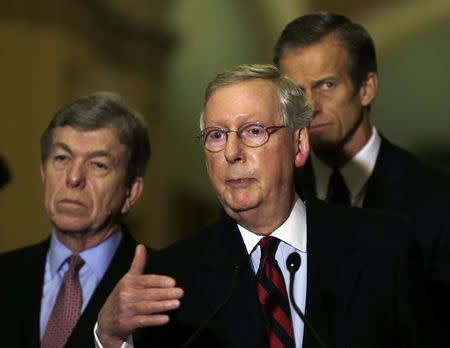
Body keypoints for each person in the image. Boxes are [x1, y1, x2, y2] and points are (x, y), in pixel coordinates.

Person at [95, 64, 436, 348]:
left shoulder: (385, 247)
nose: (231, 152)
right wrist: (109, 337)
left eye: (253, 131)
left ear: (299, 144)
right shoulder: (170, 278)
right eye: (216, 135)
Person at [273, 12, 450, 328]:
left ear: (366, 88)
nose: (309, 106)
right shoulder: (271, 196)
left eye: (326, 85)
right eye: (296, 92)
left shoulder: (437, 199)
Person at [0, 92, 151, 348]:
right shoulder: (5, 274)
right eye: (62, 158)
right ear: (43, 172)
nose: (73, 177)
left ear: (131, 192)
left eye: (98, 165)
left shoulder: (162, 286)